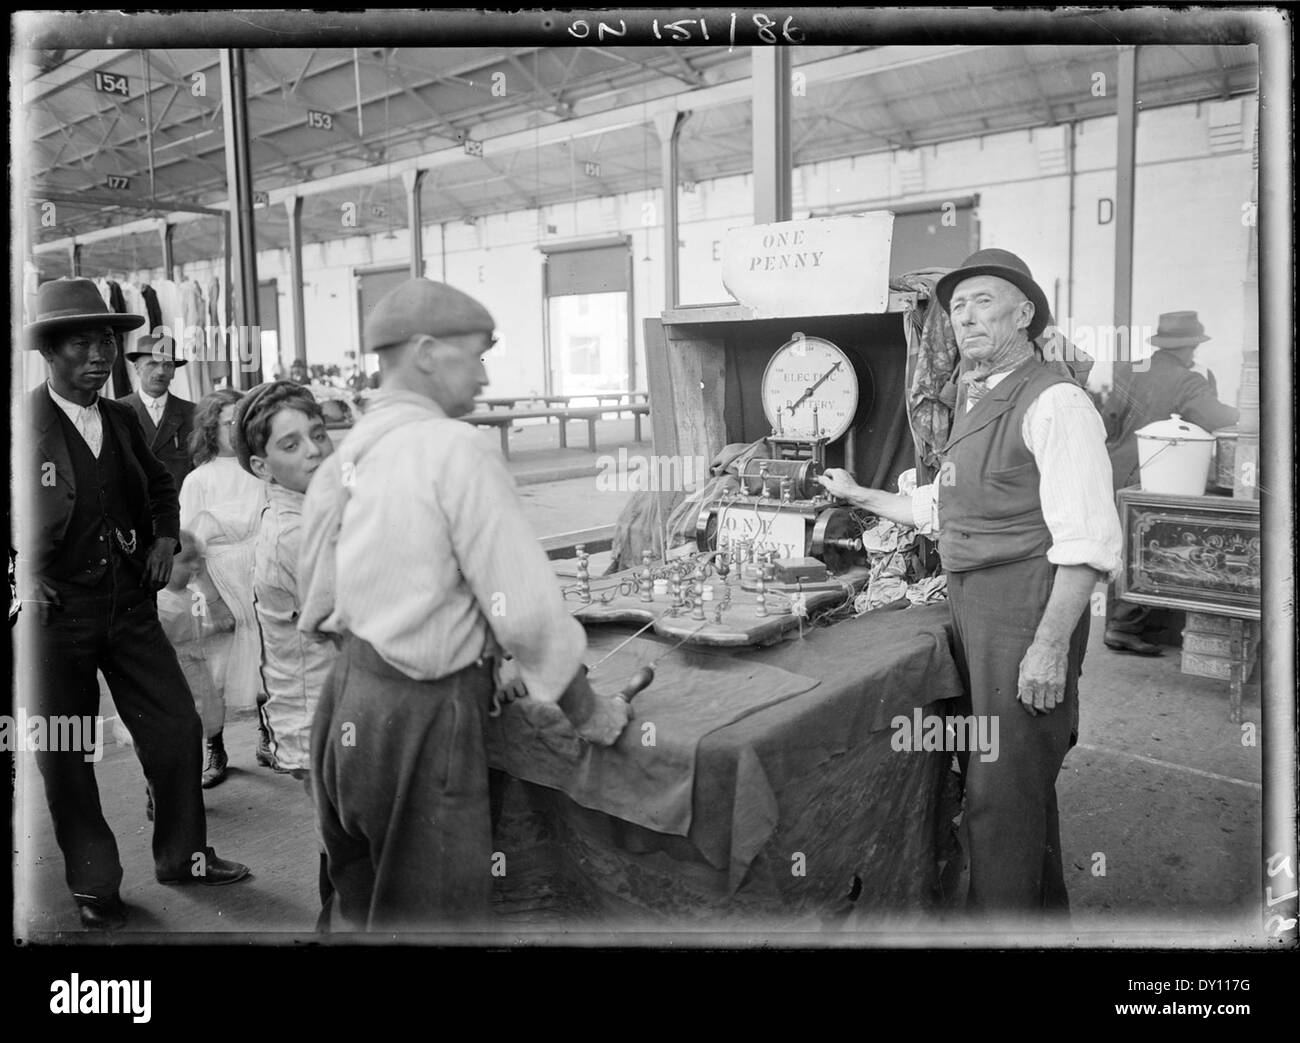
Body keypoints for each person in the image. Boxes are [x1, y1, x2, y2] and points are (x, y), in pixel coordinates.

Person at [298, 278, 630, 932]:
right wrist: (590, 712)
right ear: (425, 351)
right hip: (423, 715)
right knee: (435, 921)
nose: (484, 374)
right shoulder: (455, 448)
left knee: (363, 903)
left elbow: (317, 598)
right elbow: (529, 612)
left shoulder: (352, 451)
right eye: (476, 354)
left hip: (346, 705)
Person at [816, 250, 1122, 923]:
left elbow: (1089, 545)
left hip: (1025, 612)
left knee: (999, 794)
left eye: (985, 301)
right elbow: (947, 504)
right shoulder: (977, 397)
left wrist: (1047, 647)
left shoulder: (1056, 401)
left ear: (1023, 314)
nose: (967, 317)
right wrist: (860, 493)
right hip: (975, 609)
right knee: (1014, 789)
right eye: (958, 307)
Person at [16, 278, 250, 931]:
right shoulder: (21, 425)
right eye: (82, 343)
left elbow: (157, 489)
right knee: (67, 752)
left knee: (177, 729)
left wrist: (165, 539)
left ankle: (185, 857)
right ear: (49, 352)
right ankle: (94, 883)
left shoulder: (119, 417)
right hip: (55, 618)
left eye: (106, 342)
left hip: (129, 606)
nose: (99, 355)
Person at [233, 381, 340, 925]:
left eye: (318, 435)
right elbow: (357, 623)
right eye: (291, 445)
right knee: (350, 852)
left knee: (347, 841)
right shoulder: (295, 533)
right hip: (320, 711)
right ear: (261, 465)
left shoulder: (315, 511)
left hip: (333, 705)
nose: (316, 451)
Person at [1101, 311, 1240, 655]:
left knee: (1125, 547)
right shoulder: (1188, 379)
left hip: (1116, 469)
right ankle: (1124, 625)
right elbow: (1218, 418)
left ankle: (1126, 624)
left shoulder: (1131, 369)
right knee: (1154, 547)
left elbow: (1109, 420)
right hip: (1158, 472)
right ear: (1191, 346)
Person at [180, 388, 271, 781]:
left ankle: (268, 736)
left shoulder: (260, 471)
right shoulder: (198, 480)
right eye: (226, 422)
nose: (233, 429)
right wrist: (209, 596)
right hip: (217, 576)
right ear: (209, 428)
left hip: (259, 569)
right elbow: (188, 543)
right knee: (217, 669)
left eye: (240, 421)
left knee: (267, 656)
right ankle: (214, 749)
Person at [153, 530, 233, 810]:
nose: (196, 567)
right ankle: (157, 791)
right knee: (166, 737)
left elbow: (199, 631)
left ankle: (188, 788)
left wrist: (217, 628)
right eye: (187, 561)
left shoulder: (194, 596)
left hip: (198, 675)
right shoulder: (158, 602)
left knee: (193, 731)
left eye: (197, 560)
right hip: (174, 676)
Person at [119, 333, 197, 493]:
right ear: (137, 369)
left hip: (178, 503)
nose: (160, 371)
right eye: (152, 364)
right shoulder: (117, 410)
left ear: (174, 371)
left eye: (167, 365)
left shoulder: (192, 413)